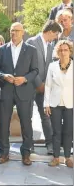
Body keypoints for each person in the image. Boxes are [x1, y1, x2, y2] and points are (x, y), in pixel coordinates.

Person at [0, 22, 39, 166]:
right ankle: (4, 153)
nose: (14, 33)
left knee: (26, 123)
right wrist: (3, 76)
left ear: (23, 32)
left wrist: (24, 78)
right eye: (12, 30)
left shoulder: (31, 50)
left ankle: (26, 154)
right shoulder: (1, 49)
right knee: (4, 124)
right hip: (6, 89)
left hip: (24, 90)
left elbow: (35, 70)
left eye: (17, 31)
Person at [26, 20, 62, 154]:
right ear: (50, 31)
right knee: (27, 116)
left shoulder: (52, 45)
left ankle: (50, 145)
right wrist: (38, 84)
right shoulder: (31, 42)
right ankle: (29, 145)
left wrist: (47, 85)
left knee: (46, 117)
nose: (56, 37)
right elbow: (29, 66)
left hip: (45, 88)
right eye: (56, 34)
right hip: (30, 86)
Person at [44, 40, 73, 168]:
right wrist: (46, 104)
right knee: (56, 131)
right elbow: (48, 85)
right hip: (54, 103)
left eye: (65, 50)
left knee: (68, 131)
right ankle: (56, 157)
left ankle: (67, 157)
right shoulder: (52, 66)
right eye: (60, 50)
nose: (63, 52)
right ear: (57, 52)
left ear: (70, 51)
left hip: (69, 103)